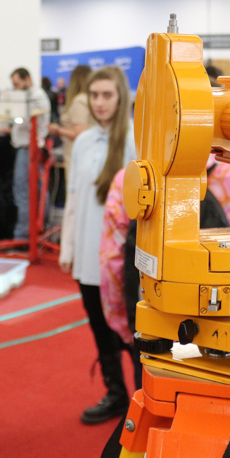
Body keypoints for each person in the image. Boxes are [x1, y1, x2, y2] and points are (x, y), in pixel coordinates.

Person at [59, 66, 136, 425]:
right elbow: (73, 197)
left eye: (107, 95)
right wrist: (67, 247)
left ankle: (146, 400)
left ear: (121, 97)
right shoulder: (84, 140)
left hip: (123, 259)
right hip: (88, 255)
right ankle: (115, 393)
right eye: (94, 95)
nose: (99, 102)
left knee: (132, 334)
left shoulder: (136, 139)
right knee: (100, 329)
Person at [0, 67, 50, 240]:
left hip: (30, 148)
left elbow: (27, 120)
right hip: (28, 147)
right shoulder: (31, 96)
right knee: (33, 191)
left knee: (24, 191)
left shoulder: (35, 97)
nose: (16, 88)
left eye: (17, 84)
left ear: (27, 79)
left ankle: (23, 235)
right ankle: (34, 232)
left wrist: (14, 120)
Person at [47, 64, 92, 179]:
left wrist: (58, 130)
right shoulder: (88, 99)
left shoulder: (79, 101)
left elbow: (80, 133)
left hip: (77, 156)